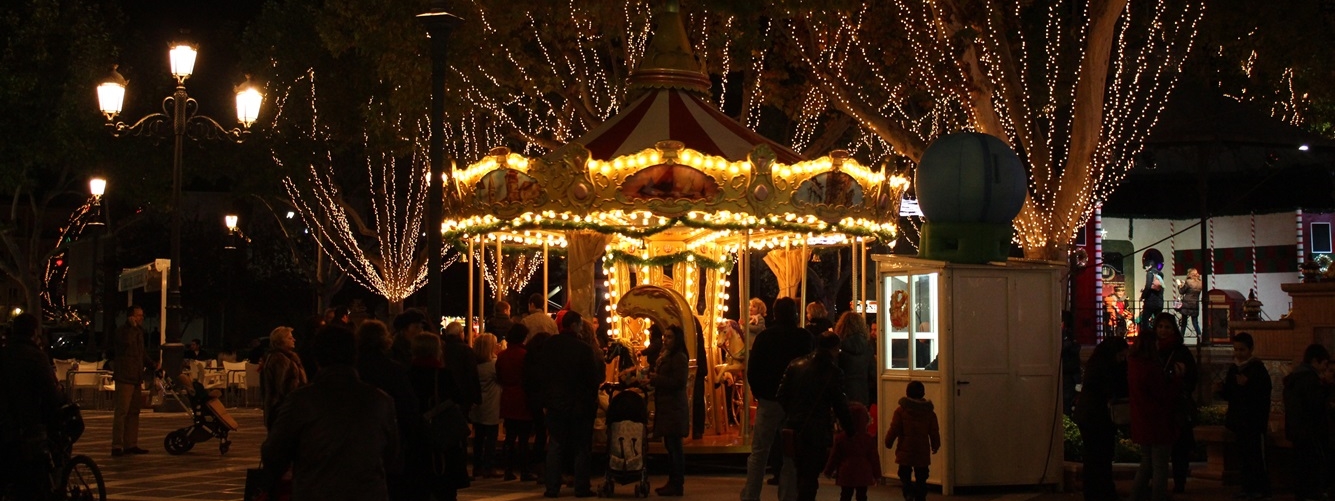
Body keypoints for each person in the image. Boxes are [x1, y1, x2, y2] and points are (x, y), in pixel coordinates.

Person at [261, 324, 400, 501]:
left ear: (317, 358)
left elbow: (274, 453)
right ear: (354, 355)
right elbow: (391, 454)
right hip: (367, 492)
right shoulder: (381, 400)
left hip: (315, 491)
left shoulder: (301, 401)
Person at [741, 297, 813, 501]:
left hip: (769, 400)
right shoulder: (804, 337)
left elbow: (753, 369)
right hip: (793, 403)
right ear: (795, 314)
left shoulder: (765, 338)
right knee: (790, 453)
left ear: (774, 314)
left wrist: (759, 392)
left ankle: (751, 494)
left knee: (759, 451)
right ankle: (788, 495)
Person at [532, 311, 604, 498]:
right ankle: (581, 487)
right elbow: (593, 379)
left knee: (556, 445)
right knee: (581, 447)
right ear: (574, 326)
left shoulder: (549, 346)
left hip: (555, 403)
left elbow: (541, 374)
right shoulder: (583, 349)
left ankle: (552, 487)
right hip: (578, 405)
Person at [777, 333, 855, 501]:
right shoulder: (833, 372)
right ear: (834, 349)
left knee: (799, 471)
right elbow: (840, 404)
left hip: (794, 426)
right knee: (810, 475)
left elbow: (782, 395)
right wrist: (850, 430)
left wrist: (793, 413)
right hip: (817, 430)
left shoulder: (796, 364)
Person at [0, 313, 69, 498]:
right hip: (31, 423)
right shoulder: (36, 357)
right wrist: (61, 399)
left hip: (7, 423)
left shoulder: (5, 354)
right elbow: (50, 393)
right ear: (34, 333)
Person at [355, 320, 422, 501]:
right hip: (386, 438)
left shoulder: (354, 368)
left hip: (356, 439)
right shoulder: (393, 369)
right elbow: (408, 407)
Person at [1127, 313, 1184, 501]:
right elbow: (1164, 395)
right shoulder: (1150, 368)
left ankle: (1136, 496)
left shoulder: (1134, 364)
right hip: (1157, 421)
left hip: (1142, 419)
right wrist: (1176, 379)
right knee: (1159, 466)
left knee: (1147, 462)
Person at [408, 330, 468, 500]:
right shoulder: (443, 376)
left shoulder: (407, 375)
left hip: (416, 441)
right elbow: (459, 398)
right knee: (445, 489)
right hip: (442, 439)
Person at [1072, 337, 1128, 501]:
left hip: (1090, 417)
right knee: (1100, 458)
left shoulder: (1096, 364)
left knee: (1093, 458)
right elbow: (1115, 388)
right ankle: (1102, 492)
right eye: (1121, 356)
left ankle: (1095, 492)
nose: (1123, 360)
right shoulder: (1106, 368)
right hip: (1097, 419)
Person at [1219, 332, 1270, 500]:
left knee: (1255, 457)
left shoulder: (1257, 369)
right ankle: (1246, 487)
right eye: (1236, 349)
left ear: (1250, 349)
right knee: (1243, 457)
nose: (1238, 353)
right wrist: (1221, 390)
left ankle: (1260, 489)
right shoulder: (1234, 368)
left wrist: (1247, 385)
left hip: (1253, 422)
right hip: (1239, 421)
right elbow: (1230, 394)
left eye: (1242, 349)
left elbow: (1262, 394)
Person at [1156, 313, 1197, 493]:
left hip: (1176, 405)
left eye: (1167, 327)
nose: (1163, 331)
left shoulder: (1180, 351)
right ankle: (1158, 483)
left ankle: (1179, 483)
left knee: (1180, 446)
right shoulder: (1152, 350)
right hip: (1157, 404)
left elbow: (1192, 376)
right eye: (1160, 326)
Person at [1284, 343, 1331, 501]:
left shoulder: (1295, 377)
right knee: (1311, 465)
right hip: (1309, 431)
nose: (1325, 369)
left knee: (1301, 465)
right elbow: (1315, 406)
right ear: (1315, 361)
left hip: (1297, 431)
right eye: (1324, 364)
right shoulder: (1310, 379)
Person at [650, 325, 690, 496]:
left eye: (670, 337)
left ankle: (676, 482)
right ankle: (672, 481)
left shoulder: (679, 358)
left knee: (675, 447)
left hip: (674, 408)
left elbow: (679, 382)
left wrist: (657, 379)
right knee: (671, 445)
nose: (665, 340)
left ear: (677, 339)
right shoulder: (665, 356)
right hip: (668, 407)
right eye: (665, 336)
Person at [884, 381, 940, 501]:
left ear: (907, 393)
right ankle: (920, 496)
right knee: (922, 476)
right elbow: (934, 431)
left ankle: (908, 491)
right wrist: (936, 444)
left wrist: (888, 441)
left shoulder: (901, 411)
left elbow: (894, 428)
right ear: (923, 393)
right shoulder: (929, 412)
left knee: (904, 474)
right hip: (922, 450)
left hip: (905, 449)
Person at [496, 324, 535, 482]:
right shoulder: (525, 355)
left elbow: (499, 375)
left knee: (510, 437)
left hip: (508, 396)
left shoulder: (502, 355)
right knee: (524, 438)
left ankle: (508, 469)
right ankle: (525, 470)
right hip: (522, 397)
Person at [112, 305, 151, 456]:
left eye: (142, 315)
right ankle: (117, 445)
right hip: (125, 376)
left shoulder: (139, 332)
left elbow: (141, 353)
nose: (141, 318)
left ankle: (131, 443)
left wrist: (153, 365)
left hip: (136, 376)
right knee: (122, 411)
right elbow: (125, 344)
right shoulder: (123, 331)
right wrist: (131, 328)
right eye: (138, 315)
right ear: (131, 317)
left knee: (134, 411)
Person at [823, 402, 881, 501]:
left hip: (846, 472)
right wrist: (877, 474)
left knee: (845, 495)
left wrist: (828, 471)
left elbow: (835, 456)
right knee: (862, 495)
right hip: (863, 472)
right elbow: (874, 458)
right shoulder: (868, 438)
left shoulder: (841, 438)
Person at [260, 326, 308, 430]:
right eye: (290, 338)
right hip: (282, 411)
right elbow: (283, 387)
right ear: (280, 341)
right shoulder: (279, 359)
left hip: (288, 409)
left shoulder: (288, 357)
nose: (294, 340)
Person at [470, 333, 502, 479]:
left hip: (477, 405)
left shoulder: (474, 365)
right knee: (490, 437)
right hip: (492, 403)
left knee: (478, 437)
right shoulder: (494, 365)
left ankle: (477, 466)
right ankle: (489, 466)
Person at [833, 312, 876, 407]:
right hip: (863, 394)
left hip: (843, 393)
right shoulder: (868, 347)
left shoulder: (838, 347)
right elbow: (873, 373)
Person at [442, 322, 481, 419]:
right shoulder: (465, 350)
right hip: (463, 393)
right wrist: (476, 396)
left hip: (445, 393)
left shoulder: (442, 348)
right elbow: (472, 373)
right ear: (460, 333)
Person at [1138, 252, 1165, 332]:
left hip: (1150, 302)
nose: (1145, 269)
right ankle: (1157, 336)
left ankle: (1147, 338)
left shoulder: (1150, 273)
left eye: (1146, 267)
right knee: (1158, 321)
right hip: (1159, 302)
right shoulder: (1160, 274)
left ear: (1149, 266)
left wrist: (1142, 296)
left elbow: (1148, 286)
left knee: (1145, 320)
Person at [1176, 268, 1202, 337]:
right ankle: (1199, 336)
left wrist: (1179, 285)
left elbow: (1181, 291)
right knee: (1195, 322)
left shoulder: (1188, 282)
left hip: (1186, 304)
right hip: (1195, 304)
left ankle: (1181, 337)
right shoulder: (1200, 283)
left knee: (1184, 322)